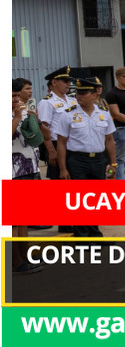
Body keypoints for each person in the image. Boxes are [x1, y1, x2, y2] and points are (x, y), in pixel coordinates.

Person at [54, 77, 117, 238]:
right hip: (77, 160)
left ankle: (94, 233)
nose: (79, 96)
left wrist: (113, 163)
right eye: (78, 93)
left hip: (98, 160)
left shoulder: (103, 114)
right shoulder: (68, 115)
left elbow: (109, 140)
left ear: (94, 95)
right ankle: (82, 236)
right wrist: (62, 168)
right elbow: (61, 142)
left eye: (84, 93)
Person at [12, 79, 44, 274]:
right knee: (14, 221)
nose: (17, 99)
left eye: (17, 96)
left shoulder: (23, 111)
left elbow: (34, 137)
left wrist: (32, 118)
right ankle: (15, 263)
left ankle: (25, 256)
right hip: (13, 173)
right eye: (13, 96)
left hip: (29, 168)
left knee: (23, 218)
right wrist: (17, 116)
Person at [37, 66, 77, 182]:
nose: (69, 83)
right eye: (65, 81)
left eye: (69, 81)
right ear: (54, 82)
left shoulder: (72, 101)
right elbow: (43, 128)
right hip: (56, 145)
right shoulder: (47, 102)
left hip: (73, 144)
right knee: (59, 178)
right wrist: (51, 150)